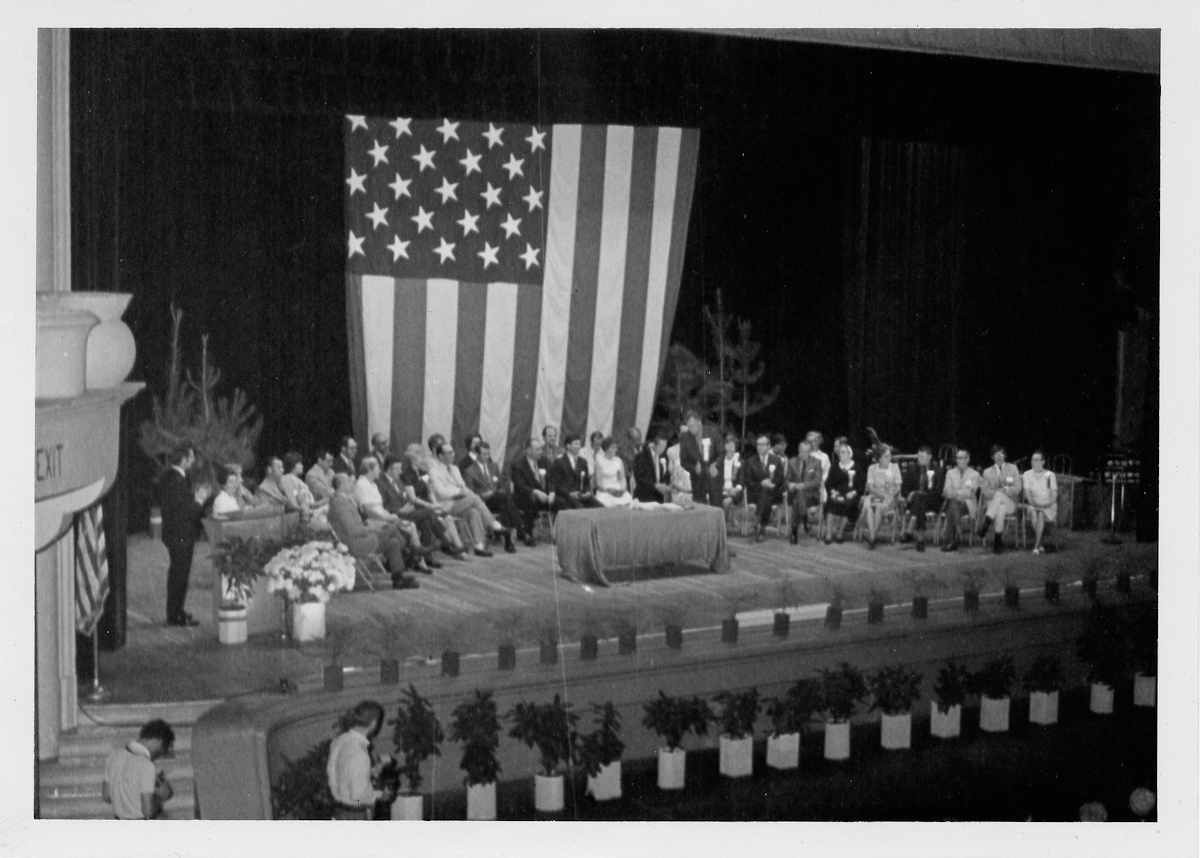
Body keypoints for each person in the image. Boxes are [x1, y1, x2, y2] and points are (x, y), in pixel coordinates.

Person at [328, 473, 419, 588]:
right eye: (350, 481)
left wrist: (368, 524)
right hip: (355, 543)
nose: (353, 484)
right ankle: (410, 553)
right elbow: (351, 531)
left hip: (361, 538)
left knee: (393, 543)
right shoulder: (340, 503)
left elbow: (353, 525)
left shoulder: (343, 500)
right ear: (341, 484)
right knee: (391, 527)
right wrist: (370, 528)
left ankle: (398, 579)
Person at [158, 444, 211, 627]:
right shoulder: (175, 480)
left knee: (179, 575)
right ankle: (174, 615)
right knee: (179, 575)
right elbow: (184, 512)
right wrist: (199, 500)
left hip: (178, 534)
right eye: (190, 457)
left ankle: (177, 611)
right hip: (179, 535)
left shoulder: (175, 477)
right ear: (183, 459)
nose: (193, 460)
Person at [428, 442, 510, 555]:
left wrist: (466, 492)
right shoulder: (434, 471)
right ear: (441, 456)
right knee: (475, 499)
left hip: (460, 502)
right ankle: (493, 524)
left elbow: (463, 486)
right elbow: (440, 493)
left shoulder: (455, 468)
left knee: (474, 511)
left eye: (453, 452)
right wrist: (458, 492)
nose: (453, 454)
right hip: (446, 505)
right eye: (449, 453)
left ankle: (479, 545)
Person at [328, 701, 394, 820]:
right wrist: (378, 796)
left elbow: (340, 772)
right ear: (373, 723)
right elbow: (357, 798)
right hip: (353, 816)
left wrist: (369, 771)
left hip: (338, 812)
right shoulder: (360, 754)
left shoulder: (340, 740)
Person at [400, 443, 467, 559]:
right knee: (436, 518)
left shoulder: (423, 473)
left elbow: (430, 492)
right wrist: (431, 507)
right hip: (417, 505)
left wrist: (435, 504)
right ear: (414, 458)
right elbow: (413, 499)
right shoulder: (407, 475)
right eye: (422, 456)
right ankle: (449, 545)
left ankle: (452, 548)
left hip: (428, 505)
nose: (424, 458)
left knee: (444, 518)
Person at [376, 455, 443, 569]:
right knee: (429, 512)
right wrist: (401, 510)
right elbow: (382, 506)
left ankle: (423, 560)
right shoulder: (381, 483)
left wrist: (409, 505)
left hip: (406, 512)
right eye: (398, 469)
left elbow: (406, 497)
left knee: (426, 522)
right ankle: (443, 541)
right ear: (389, 469)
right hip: (394, 515)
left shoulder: (398, 482)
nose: (400, 471)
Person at [103, 718, 176, 819]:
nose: (160, 753)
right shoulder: (147, 766)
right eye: (162, 748)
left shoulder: (113, 756)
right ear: (156, 741)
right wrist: (162, 796)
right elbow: (148, 813)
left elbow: (106, 796)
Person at [462, 441, 522, 550]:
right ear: (477, 454)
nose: (486, 457)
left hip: (497, 498)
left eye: (488, 454)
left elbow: (500, 484)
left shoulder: (493, 466)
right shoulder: (470, 471)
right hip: (483, 502)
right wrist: (483, 494)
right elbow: (469, 492)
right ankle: (519, 529)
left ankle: (508, 538)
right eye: (483, 454)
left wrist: (500, 489)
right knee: (505, 499)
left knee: (504, 503)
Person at [511, 437, 557, 543]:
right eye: (537, 449)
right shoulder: (518, 465)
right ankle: (527, 533)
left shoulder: (545, 462)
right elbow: (520, 486)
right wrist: (535, 492)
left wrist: (552, 493)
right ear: (528, 450)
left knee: (562, 502)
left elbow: (552, 480)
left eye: (540, 449)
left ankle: (559, 533)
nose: (540, 452)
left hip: (545, 496)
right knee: (530, 501)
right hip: (524, 496)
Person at [978, 444, 1022, 554]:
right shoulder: (987, 472)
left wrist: (1004, 492)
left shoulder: (1013, 468)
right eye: (996, 455)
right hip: (992, 504)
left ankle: (986, 522)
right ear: (992, 457)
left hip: (1010, 503)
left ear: (1005, 455)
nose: (999, 457)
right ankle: (997, 542)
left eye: (1001, 454)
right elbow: (985, 491)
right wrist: (999, 493)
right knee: (999, 509)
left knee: (1000, 499)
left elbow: (1018, 488)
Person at [901, 445, 944, 552]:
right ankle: (920, 539)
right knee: (918, 499)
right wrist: (909, 495)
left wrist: (919, 494)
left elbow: (938, 492)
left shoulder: (938, 470)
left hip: (932, 502)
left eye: (922, 457)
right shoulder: (912, 469)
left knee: (919, 498)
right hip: (915, 502)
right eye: (918, 457)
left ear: (929, 457)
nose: (919, 460)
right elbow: (904, 488)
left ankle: (912, 527)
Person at [742, 434, 786, 542]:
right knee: (764, 493)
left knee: (766, 492)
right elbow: (748, 482)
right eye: (758, 445)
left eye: (762, 445)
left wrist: (770, 483)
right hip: (755, 494)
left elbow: (780, 479)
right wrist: (761, 483)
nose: (759, 447)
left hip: (773, 492)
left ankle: (757, 520)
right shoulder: (750, 461)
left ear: (768, 446)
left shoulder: (776, 460)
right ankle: (762, 527)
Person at [823, 442, 865, 545]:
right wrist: (833, 492)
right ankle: (828, 534)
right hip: (837, 493)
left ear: (849, 454)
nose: (840, 454)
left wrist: (854, 492)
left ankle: (840, 534)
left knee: (849, 504)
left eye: (843, 452)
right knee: (831, 503)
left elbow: (862, 486)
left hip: (851, 494)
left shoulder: (857, 468)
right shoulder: (835, 468)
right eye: (839, 453)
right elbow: (829, 483)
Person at [678, 410, 723, 506]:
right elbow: (683, 461)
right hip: (698, 480)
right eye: (688, 426)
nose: (690, 429)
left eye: (692, 426)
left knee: (717, 508)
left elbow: (722, 453)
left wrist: (716, 464)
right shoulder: (684, 437)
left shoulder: (712, 432)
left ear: (699, 422)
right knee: (700, 510)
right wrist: (693, 468)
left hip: (714, 477)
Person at [941, 448, 981, 552]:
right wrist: (958, 494)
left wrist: (956, 493)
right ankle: (956, 535)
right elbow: (946, 490)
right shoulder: (950, 473)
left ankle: (948, 539)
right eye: (957, 458)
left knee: (952, 507)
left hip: (967, 504)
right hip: (954, 503)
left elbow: (970, 493)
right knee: (953, 505)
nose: (958, 460)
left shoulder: (974, 474)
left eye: (961, 458)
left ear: (967, 459)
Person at [862, 444, 902, 548]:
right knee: (869, 507)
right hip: (875, 495)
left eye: (889, 456)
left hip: (889, 497)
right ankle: (872, 537)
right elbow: (870, 488)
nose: (889, 458)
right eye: (886, 456)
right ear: (879, 458)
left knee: (879, 507)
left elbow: (898, 487)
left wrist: (891, 495)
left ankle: (872, 538)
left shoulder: (894, 468)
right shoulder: (872, 468)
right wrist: (879, 495)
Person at [548, 434, 600, 509]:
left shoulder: (583, 461)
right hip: (566, 497)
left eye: (579, 444)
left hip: (581, 496)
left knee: (600, 508)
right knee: (581, 510)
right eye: (576, 444)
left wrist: (588, 492)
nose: (579, 446)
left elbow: (586, 482)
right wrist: (569, 494)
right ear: (568, 446)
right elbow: (555, 483)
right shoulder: (559, 462)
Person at [786, 438, 823, 542]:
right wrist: (790, 484)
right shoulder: (792, 462)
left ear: (810, 451)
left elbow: (817, 481)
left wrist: (803, 485)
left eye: (806, 451)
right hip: (795, 494)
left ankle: (794, 532)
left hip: (811, 496)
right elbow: (786, 481)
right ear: (798, 450)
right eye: (801, 451)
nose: (803, 454)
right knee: (797, 497)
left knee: (797, 500)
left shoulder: (816, 463)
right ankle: (805, 519)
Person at [1022, 450, 1058, 555]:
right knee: (1035, 512)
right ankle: (1039, 545)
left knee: (1040, 512)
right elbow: (1027, 493)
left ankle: (1036, 546)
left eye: (1036, 460)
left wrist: (1046, 504)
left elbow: (1053, 494)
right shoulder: (1027, 474)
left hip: (1048, 505)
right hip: (1034, 504)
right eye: (1032, 460)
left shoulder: (1050, 475)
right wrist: (1034, 504)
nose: (1033, 462)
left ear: (1043, 462)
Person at [593, 437, 633, 507]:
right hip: (605, 490)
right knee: (602, 500)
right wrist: (608, 491)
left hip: (618, 489)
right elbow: (598, 483)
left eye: (616, 447)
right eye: (613, 447)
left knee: (628, 498)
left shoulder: (618, 460)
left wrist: (623, 489)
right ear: (606, 448)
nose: (616, 450)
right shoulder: (599, 460)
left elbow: (622, 478)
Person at [632, 433, 671, 504]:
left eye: (664, 447)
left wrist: (666, 485)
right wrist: (655, 486)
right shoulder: (641, 457)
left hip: (659, 496)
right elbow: (639, 478)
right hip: (644, 495)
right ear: (654, 444)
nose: (663, 450)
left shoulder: (664, 457)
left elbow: (666, 474)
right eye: (661, 446)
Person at [718, 432, 744, 515]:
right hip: (721, 490)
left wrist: (735, 489)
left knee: (726, 502)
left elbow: (741, 480)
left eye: (732, 446)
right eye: (727, 445)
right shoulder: (719, 461)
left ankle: (723, 525)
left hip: (734, 492)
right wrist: (722, 488)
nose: (729, 449)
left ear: (735, 448)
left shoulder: (740, 462)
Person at [619, 426, 642, 491]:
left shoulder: (644, 448)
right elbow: (625, 472)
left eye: (639, 438)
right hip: (630, 481)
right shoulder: (624, 452)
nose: (638, 442)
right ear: (630, 439)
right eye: (636, 439)